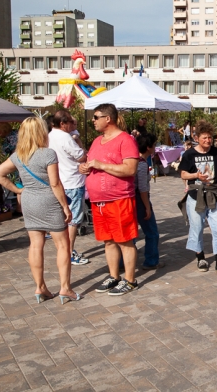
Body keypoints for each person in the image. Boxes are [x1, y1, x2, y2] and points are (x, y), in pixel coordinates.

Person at [0, 117, 80, 304]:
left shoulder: (18, 155)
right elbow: (55, 184)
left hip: (29, 201)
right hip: (48, 200)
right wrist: (65, 206)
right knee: (62, 245)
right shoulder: (48, 154)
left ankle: (40, 288)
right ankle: (65, 288)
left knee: (35, 245)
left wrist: (18, 190)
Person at [81, 104, 140, 296]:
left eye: (96, 117)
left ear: (108, 119)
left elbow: (130, 169)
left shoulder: (126, 140)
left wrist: (101, 165)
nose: (93, 120)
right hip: (99, 201)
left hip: (119, 199)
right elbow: (92, 163)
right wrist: (85, 168)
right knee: (108, 241)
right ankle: (114, 276)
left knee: (124, 240)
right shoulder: (97, 141)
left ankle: (130, 280)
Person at [177, 120, 217, 274]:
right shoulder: (189, 154)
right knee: (197, 228)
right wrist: (196, 175)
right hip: (195, 196)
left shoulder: (216, 152)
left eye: (210, 137)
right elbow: (183, 174)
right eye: (204, 138)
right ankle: (200, 257)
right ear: (196, 138)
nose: (208, 140)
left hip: (213, 195)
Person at [48, 110, 89, 266]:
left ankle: (64, 250)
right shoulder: (65, 137)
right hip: (72, 181)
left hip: (59, 181)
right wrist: (79, 142)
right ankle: (69, 252)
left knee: (63, 219)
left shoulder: (50, 136)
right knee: (73, 220)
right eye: (71, 122)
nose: (73, 125)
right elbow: (81, 156)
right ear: (63, 123)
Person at [134, 133, 164, 270]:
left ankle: (123, 261)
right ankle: (151, 261)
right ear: (148, 147)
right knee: (151, 232)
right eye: (154, 145)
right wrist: (147, 207)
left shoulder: (134, 160)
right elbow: (142, 189)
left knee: (132, 233)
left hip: (131, 199)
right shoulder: (141, 164)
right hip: (139, 200)